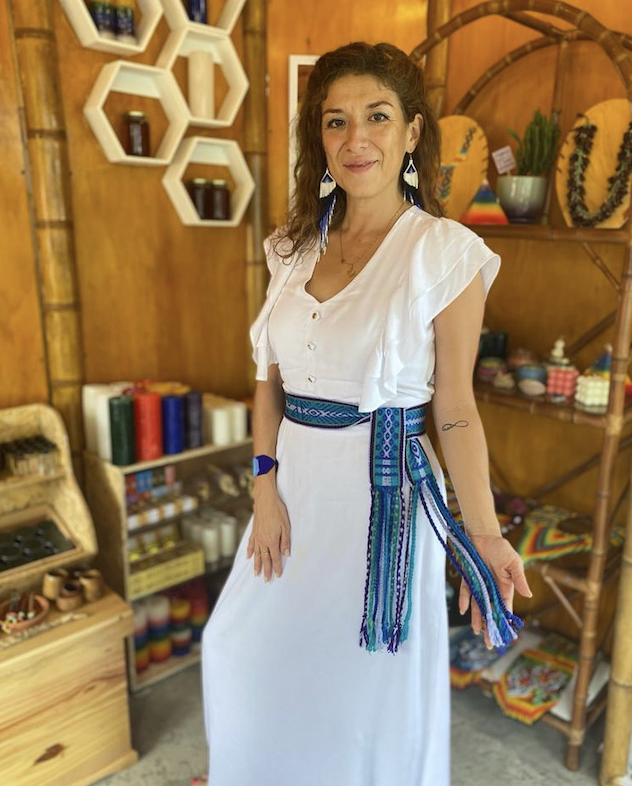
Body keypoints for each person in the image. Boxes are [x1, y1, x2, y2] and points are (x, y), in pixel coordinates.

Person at [201, 41, 532, 786]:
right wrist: (264, 487)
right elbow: (268, 384)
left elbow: (455, 408)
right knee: (238, 654)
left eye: (377, 116)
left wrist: (484, 533)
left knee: (364, 695)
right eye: (336, 121)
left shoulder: (444, 253)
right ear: (319, 139)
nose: (357, 139)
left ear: (412, 131)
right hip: (292, 496)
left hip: (383, 501)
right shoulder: (290, 249)